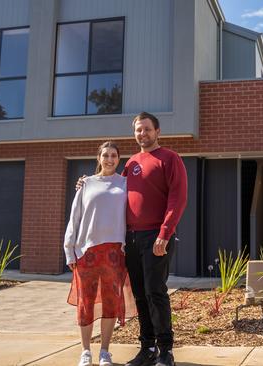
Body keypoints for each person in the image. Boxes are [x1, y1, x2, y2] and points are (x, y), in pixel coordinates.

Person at [77, 112, 187, 366]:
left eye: (147, 129)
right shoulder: (131, 163)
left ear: (157, 132)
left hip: (157, 237)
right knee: (138, 294)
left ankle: (165, 351)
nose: (142, 134)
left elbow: (178, 199)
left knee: (155, 292)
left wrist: (164, 233)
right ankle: (146, 348)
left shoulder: (170, 159)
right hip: (131, 238)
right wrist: (86, 184)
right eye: (138, 130)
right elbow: (110, 188)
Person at [64, 141, 135, 366]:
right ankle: (85, 352)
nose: (110, 159)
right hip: (88, 252)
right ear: (99, 158)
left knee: (110, 302)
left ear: (119, 159)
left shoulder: (125, 183)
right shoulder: (86, 184)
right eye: (105, 155)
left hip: (115, 253)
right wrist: (69, 250)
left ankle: (105, 352)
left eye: (114, 155)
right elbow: (74, 218)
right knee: (86, 302)